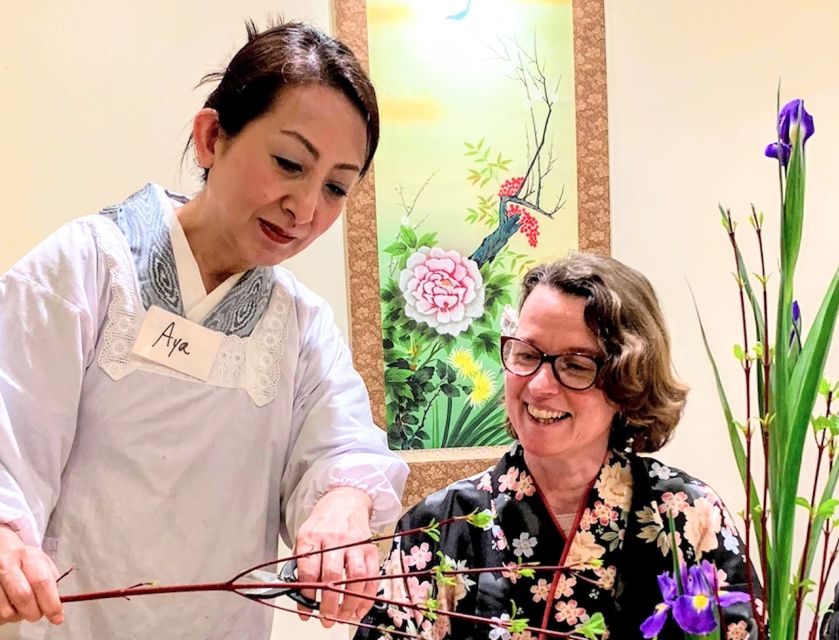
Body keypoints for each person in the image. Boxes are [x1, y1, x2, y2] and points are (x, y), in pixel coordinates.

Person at [0, 20, 408, 639]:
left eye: (334, 187)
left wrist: (344, 502)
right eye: (288, 163)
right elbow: (10, 429)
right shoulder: (88, 267)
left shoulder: (299, 323)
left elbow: (344, 444)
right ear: (212, 137)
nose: (305, 208)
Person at [355, 253, 760, 640]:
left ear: (628, 381)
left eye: (576, 365)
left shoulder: (687, 515)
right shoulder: (440, 526)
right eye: (526, 354)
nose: (539, 386)